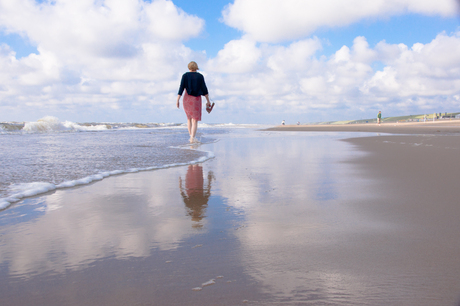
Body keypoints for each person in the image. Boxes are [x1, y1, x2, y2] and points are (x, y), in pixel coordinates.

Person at [177, 61, 211, 143]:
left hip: (187, 99)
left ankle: (191, 137)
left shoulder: (185, 76)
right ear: (196, 67)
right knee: (195, 120)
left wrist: (178, 99)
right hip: (196, 99)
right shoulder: (200, 76)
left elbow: (181, 88)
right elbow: (204, 88)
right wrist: (208, 100)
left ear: (189, 67)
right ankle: (192, 137)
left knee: (189, 119)